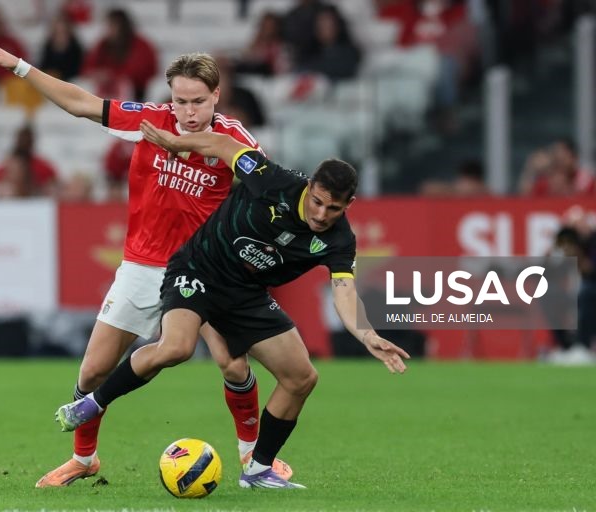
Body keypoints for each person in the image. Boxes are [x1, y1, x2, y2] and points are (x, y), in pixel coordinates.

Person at [0, 40, 293, 487]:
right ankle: (84, 460)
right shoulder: (149, 121)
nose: (188, 111)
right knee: (92, 370)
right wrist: (23, 67)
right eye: (180, 100)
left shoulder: (234, 140)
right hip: (144, 266)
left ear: (216, 96)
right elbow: (81, 103)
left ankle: (251, 460)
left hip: (206, 269)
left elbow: (267, 188)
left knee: (233, 364)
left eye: (198, 101)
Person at [55, 121, 411, 489]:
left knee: (301, 377)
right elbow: (223, 144)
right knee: (177, 347)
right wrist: (177, 142)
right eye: (317, 202)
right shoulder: (272, 180)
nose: (321, 215)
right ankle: (94, 403)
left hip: (245, 295)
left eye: (333, 208)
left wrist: (367, 334)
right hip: (199, 268)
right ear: (309, 188)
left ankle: (257, 470)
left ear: (349, 204)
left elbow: (344, 291)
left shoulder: (340, 240)